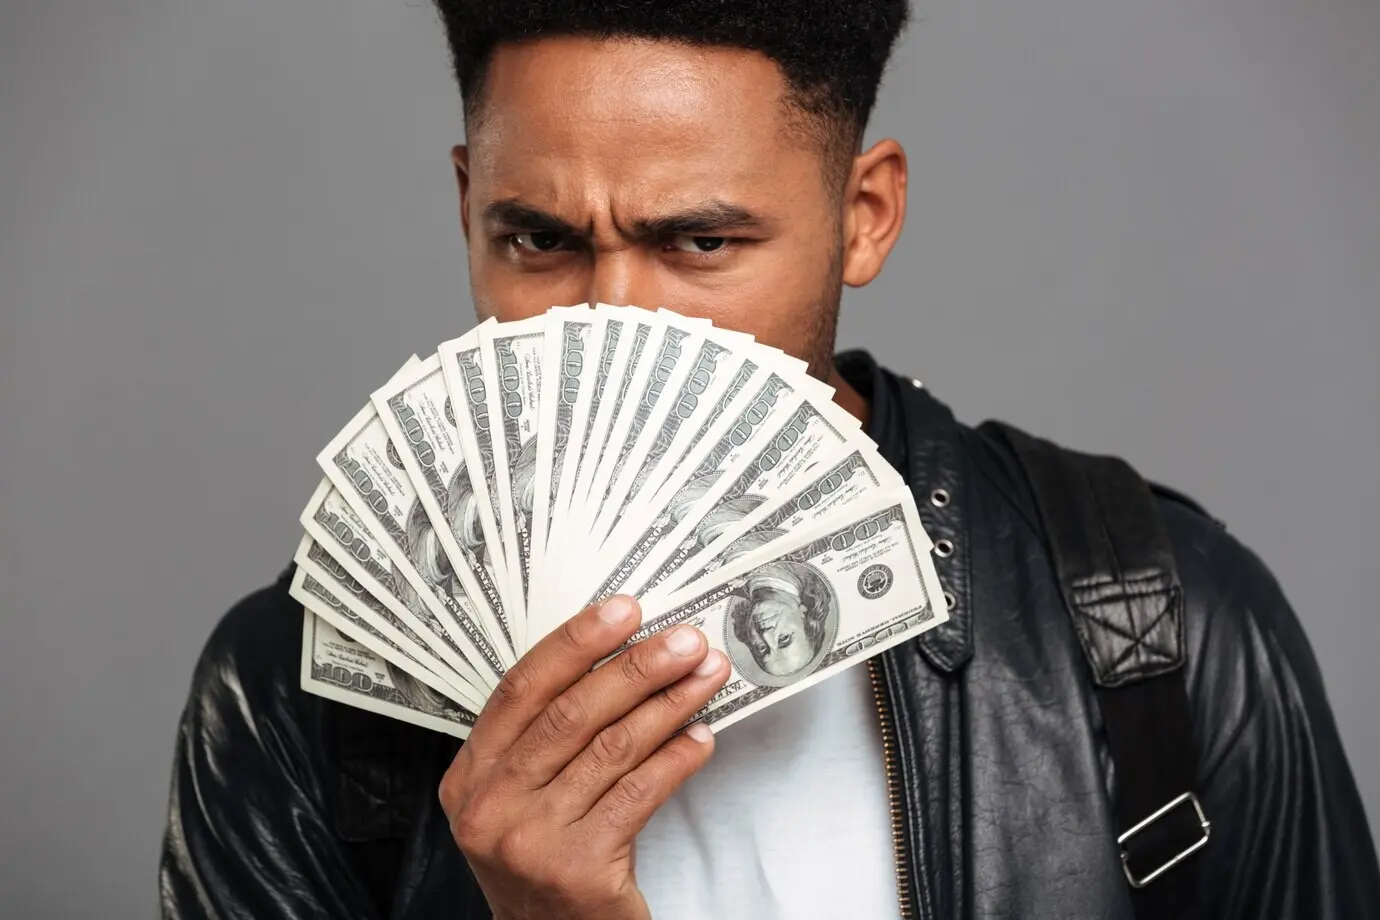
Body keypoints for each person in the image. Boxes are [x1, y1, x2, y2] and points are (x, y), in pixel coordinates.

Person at [158, 1, 1380, 918]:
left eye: (699, 239)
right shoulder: (294, 697)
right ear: (468, 202)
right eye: (537, 238)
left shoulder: (1154, 622)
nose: (613, 327)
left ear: (866, 216)